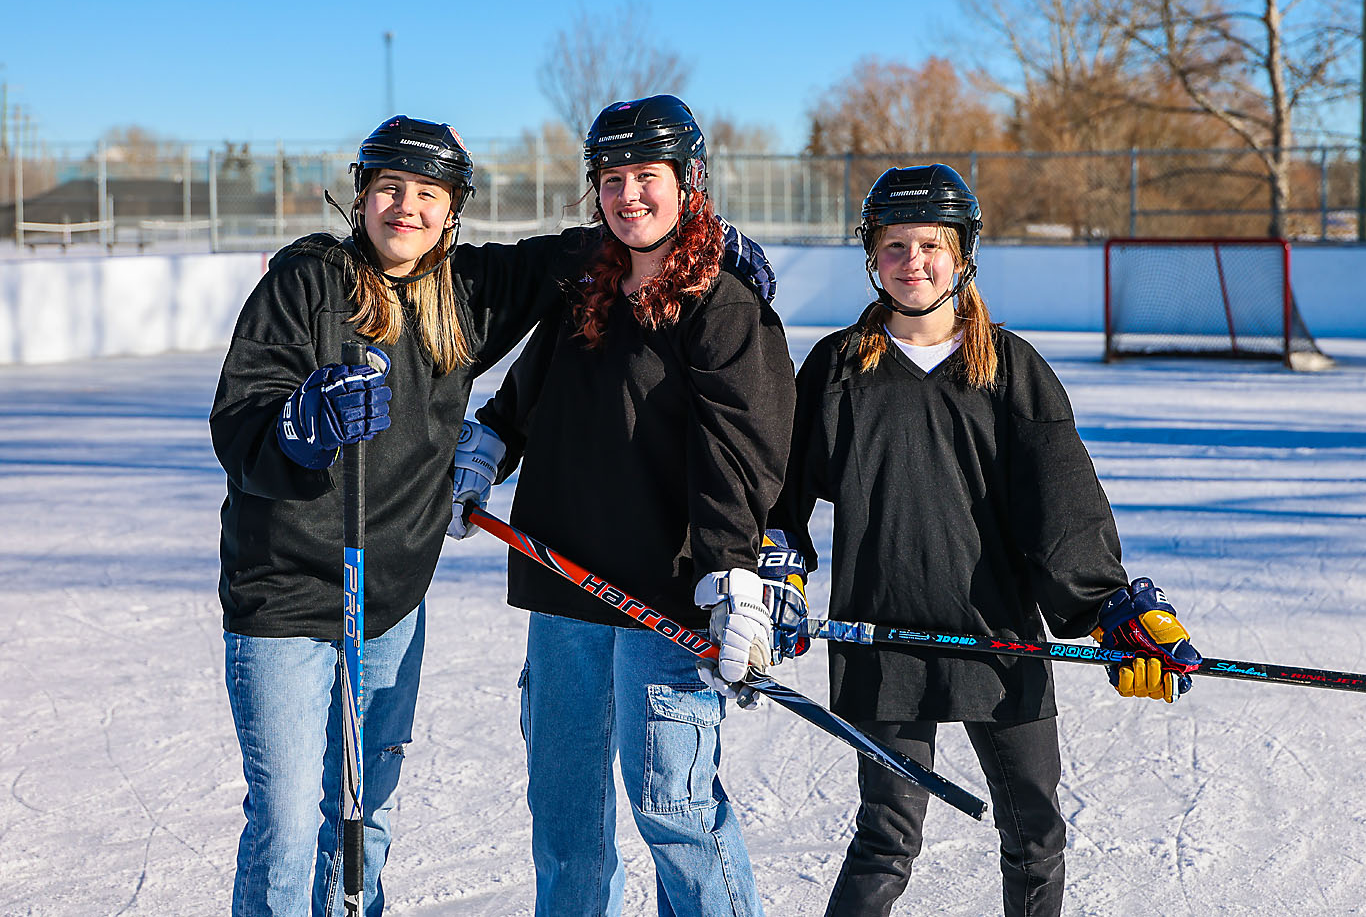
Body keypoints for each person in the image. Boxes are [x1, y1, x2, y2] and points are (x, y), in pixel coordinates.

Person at [210, 112, 777, 916]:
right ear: (361, 196)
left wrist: (706, 240)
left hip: (425, 600)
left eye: (427, 194)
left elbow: (734, 440)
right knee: (299, 820)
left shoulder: (475, 290)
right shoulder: (311, 283)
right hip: (304, 593)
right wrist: (305, 427)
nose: (406, 208)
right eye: (390, 188)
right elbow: (241, 421)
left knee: (373, 814)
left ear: (453, 209)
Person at [767, 164, 1202, 917]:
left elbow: (1062, 509)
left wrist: (1111, 608)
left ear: (963, 254)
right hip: (882, 640)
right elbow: (781, 493)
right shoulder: (837, 367)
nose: (912, 262)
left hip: (1000, 640)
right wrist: (775, 572)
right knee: (886, 837)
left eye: (930, 245)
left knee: (1035, 833)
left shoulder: (1012, 368)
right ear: (871, 255)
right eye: (895, 245)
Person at [449, 95, 795, 917]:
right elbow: (529, 394)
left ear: (688, 179)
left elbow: (740, 455)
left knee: (676, 813)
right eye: (612, 178)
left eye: (647, 176)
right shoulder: (586, 290)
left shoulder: (723, 304)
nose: (628, 194)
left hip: (662, 600)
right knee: (565, 817)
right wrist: (485, 450)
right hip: (563, 587)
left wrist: (734, 578)